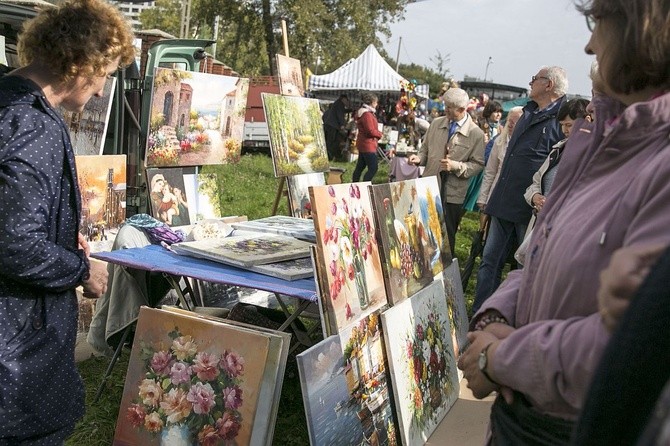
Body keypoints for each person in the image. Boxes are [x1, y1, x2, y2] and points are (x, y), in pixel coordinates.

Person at [457, 0, 670, 442]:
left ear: (643, 30)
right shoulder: (601, 140)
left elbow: (632, 342)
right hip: (522, 414)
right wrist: (492, 319)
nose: (590, 45)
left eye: (599, 24)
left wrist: (497, 358)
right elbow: (540, 254)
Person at [0, 0, 135, 443]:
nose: (101, 91)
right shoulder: (31, 122)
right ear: (82, 62)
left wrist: (59, 229)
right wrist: (82, 270)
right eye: (106, 73)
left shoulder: (8, 99)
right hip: (16, 346)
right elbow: (14, 244)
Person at [473, 66, 568, 313]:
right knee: (488, 263)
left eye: (535, 78)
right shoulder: (527, 111)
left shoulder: (563, 117)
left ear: (549, 85)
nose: (531, 81)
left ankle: (509, 320)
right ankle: (480, 315)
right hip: (503, 202)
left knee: (522, 269)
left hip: (531, 209)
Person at [408, 87, 485, 252]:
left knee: (446, 238)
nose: (446, 110)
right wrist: (419, 158)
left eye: (450, 107)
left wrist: (456, 166)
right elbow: (425, 149)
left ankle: (443, 274)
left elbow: (478, 164)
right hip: (428, 186)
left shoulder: (476, 134)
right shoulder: (436, 124)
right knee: (421, 231)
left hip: (452, 195)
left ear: (462, 109)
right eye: (446, 105)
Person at [352, 92, 383, 182]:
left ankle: (355, 183)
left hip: (363, 143)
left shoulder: (365, 113)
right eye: (376, 102)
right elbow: (370, 131)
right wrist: (380, 134)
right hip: (367, 145)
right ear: (372, 102)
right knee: (373, 168)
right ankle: (365, 185)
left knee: (360, 167)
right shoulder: (367, 115)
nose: (377, 104)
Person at [322, 94, 349, 161]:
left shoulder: (337, 103)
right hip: (332, 126)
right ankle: (329, 156)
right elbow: (340, 115)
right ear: (343, 99)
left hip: (329, 125)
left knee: (330, 141)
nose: (347, 102)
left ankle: (330, 155)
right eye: (347, 100)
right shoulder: (340, 104)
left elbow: (342, 112)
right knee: (332, 141)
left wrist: (350, 110)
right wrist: (342, 125)